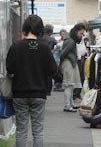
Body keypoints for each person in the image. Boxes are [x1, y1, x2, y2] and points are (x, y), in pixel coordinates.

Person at [6, 15, 61, 147]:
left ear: (25, 28)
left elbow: (9, 68)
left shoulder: (16, 46)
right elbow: (53, 71)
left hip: (19, 93)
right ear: (40, 29)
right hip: (39, 93)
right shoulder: (45, 48)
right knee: (38, 131)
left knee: (21, 130)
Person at [60, 23, 85, 112]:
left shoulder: (69, 40)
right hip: (69, 62)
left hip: (69, 62)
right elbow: (63, 54)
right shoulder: (71, 41)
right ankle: (67, 105)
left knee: (70, 85)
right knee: (69, 84)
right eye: (81, 33)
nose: (81, 36)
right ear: (76, 32)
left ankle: (69, 104)